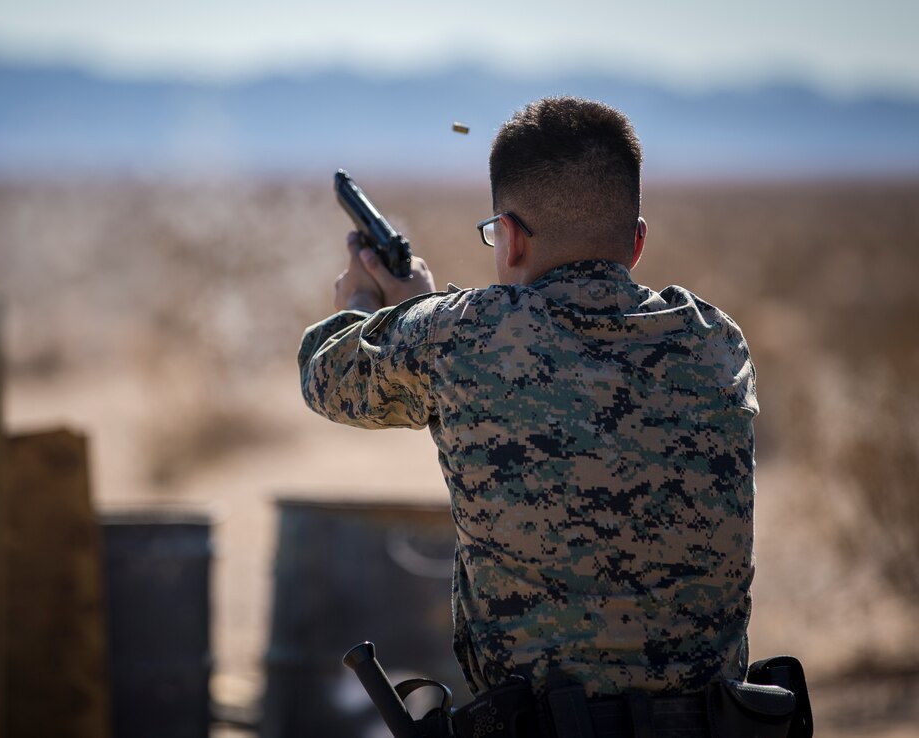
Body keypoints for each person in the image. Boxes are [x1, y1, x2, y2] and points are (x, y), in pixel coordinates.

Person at [298, 97, 758, 727]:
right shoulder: (717, 339)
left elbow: (328, 373)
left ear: (508, 237)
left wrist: (360, 304)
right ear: (638, 242)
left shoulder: (461, 338)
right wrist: (427, 309)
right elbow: (544, 349)